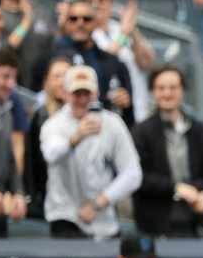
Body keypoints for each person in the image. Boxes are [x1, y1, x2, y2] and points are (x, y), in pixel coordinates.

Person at [40, 64, 141, 238]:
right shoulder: (54, 125)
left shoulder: (112, 123)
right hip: (65, 217)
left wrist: (100, 202)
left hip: (104, 220)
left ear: (97, 93)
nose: (82, 99)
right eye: (76, 93)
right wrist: (74, 138)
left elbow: (133, 173)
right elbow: (50, 154)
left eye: (87, 93)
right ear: (65, 93)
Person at [131, 64, 203, 237]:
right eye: (161, 88)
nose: (167, 93)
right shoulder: (141, 131)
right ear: (152, 91)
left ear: (182, 90)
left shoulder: (199, 130)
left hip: (192, 225)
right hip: (153, 226)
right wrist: (176, 188)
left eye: (173, 87)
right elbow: (138, 177)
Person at [36, 0, 134, 126]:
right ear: (66, 21)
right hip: (60, 130)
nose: (80, 23)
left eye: (86, 19)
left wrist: (125, 99)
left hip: (102, 131)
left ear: (96, 22)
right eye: (73, 19)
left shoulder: (112, 62)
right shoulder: (50, 58)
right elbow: (34, 97)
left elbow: (129, 107)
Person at [80, 0, 156, 123]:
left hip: (137, 110)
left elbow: (147, 62)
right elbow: (102, 60)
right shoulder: (85, 34)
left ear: (111, 2)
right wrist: (124, 35)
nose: (96, 4)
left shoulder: (120, 27)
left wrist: (133, 31)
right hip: (105, 114)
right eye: (91, 0)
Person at [0, 48, 26, 236]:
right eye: (5, 77)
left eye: (14, 78)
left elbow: (9, 158)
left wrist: (17, 191)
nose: (11, 84)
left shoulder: (6, 110)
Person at [23, 56, 70, 218]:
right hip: (46, 198)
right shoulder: (39, 117)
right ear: (46, 82)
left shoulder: (87, 118)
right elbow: (31, 163)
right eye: (56, 76)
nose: (61, 82)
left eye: (66, 76)